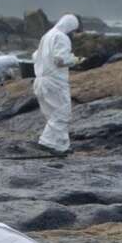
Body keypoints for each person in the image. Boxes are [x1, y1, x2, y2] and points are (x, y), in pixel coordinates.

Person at [32, 14, 81, 156]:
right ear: (70, 27)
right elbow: (60, 60)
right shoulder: (61, 37)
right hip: (54, 82)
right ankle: (47, 143)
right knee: (62, 113)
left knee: (52, 115)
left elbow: (35, 56)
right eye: (74, 30)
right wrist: (75, 60)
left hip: (40, 81)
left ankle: (61, 146)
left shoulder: (46, 36)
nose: (73, 34)